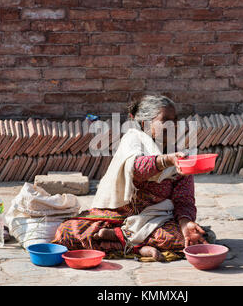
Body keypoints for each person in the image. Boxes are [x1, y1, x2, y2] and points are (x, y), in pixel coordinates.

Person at [52, 95, 208, 261]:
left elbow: (184, 199)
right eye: (166, 121)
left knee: (185, 239)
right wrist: (167, 160)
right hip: (119, 216)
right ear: (144, 124)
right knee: (66, 231)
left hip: (155, 220)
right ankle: (134, 244)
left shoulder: (179, 155)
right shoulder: (133, 141)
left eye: (175, 120)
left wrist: (185, 223)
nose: (173, 126)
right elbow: (136, 169)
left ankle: (122, 239)